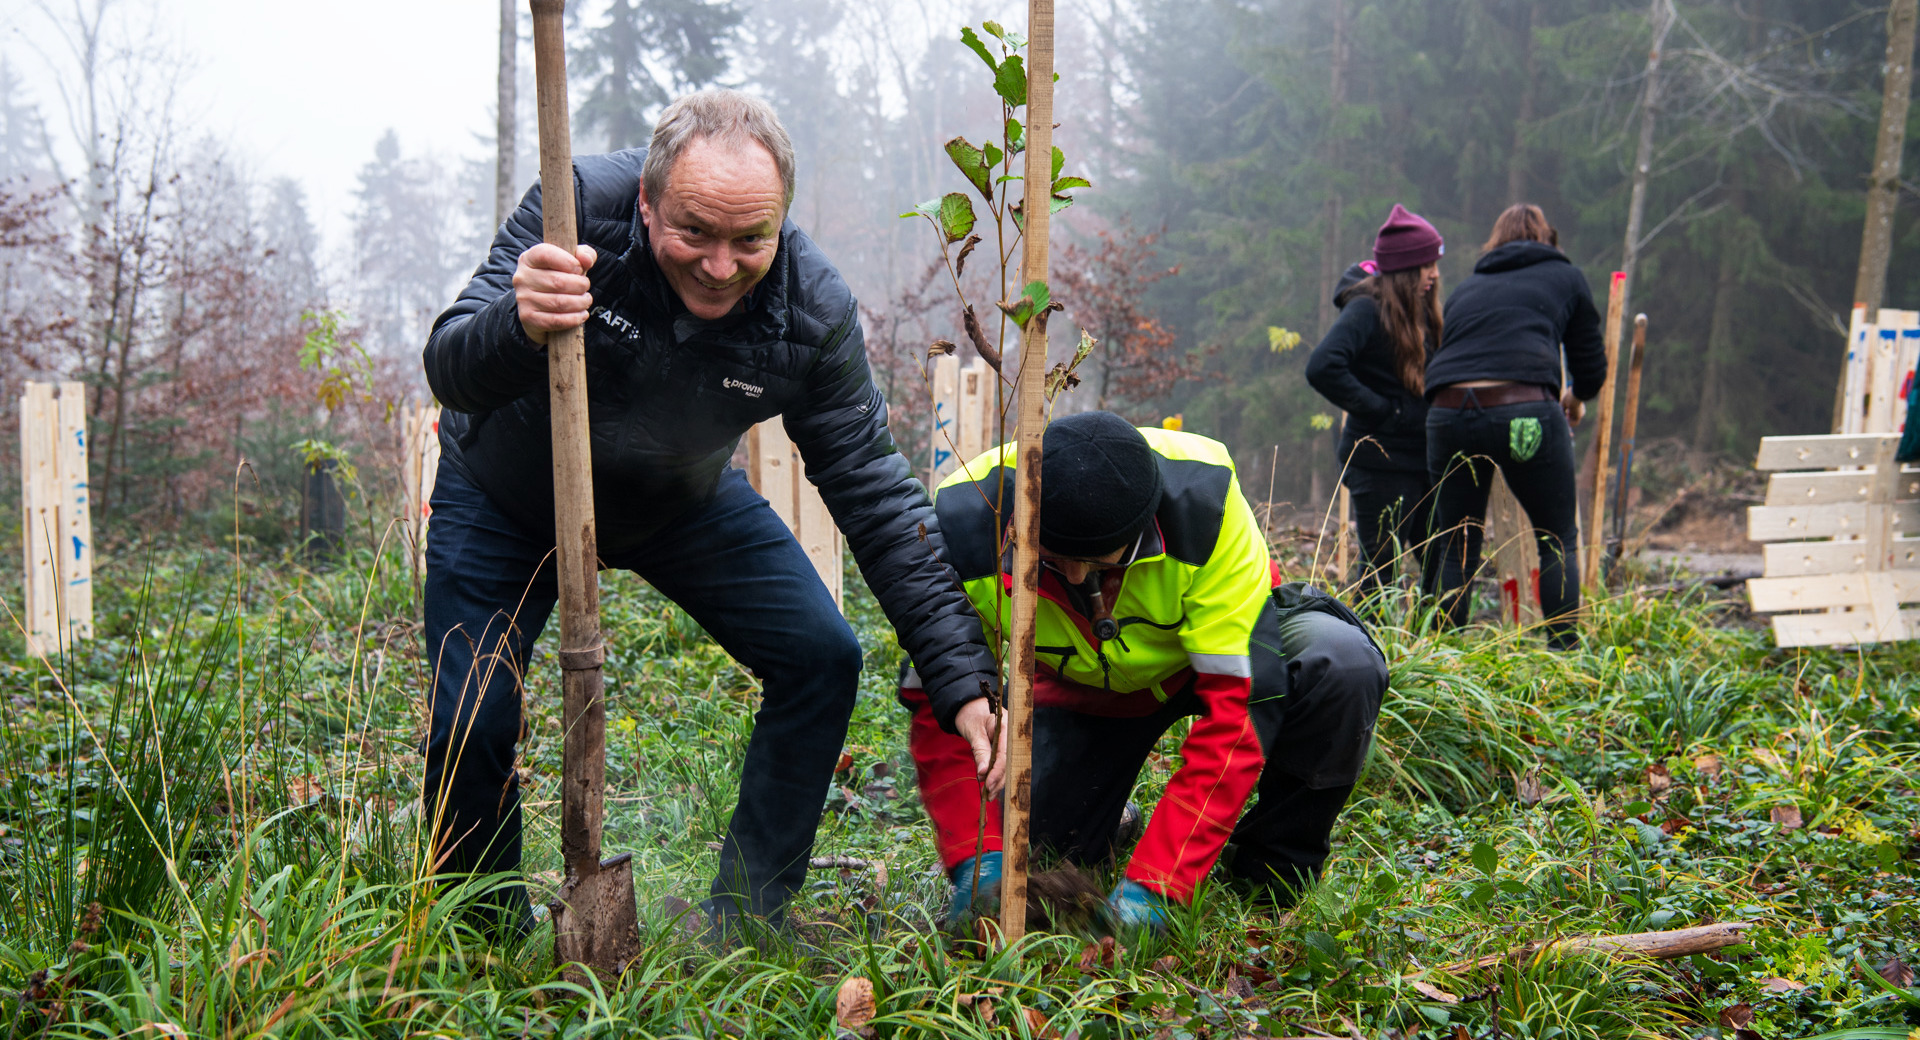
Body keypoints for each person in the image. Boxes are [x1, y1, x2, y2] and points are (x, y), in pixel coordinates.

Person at [419, 89, 999, 935]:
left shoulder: (813, 311)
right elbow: (449, 365)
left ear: (782, 223)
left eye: (749, 239)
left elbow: (874, 489)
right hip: (505, 493)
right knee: (472, 712)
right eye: (694, 231)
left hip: (675, 500)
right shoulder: (572, 205)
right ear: (647, 202)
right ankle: (481, 934)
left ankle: (744, 921)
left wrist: (960, 674)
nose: (721, 265)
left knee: (823, 657)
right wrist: (519, 323)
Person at [896, 411, 1388, 931]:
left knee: (1339, 663)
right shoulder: (968, 520)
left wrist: (1160, 882)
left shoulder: (1205, 504)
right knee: (1038, 844)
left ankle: (1267, 871)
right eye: (1057, 559)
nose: (1081, 578)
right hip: (1084, 692)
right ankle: (1119, 822)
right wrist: (979, 856)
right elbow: (941, 697)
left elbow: (1239, 710)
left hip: (1212, 659)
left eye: (1105, 562)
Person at [1421, 203, 1605, 650]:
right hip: (1523, 416)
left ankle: (1442, 665)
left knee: (1457, 542)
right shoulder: (1567, 278)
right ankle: (1564, 657)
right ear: (1547, 238)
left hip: (1448, 416)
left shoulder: (1467, 289)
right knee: (1557, 536)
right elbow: (1591, 367)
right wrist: (1575, 401)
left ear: (1495, 243)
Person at [1306, 204, 1444, 604]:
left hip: (1423, 461)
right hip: (1379, 463)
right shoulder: (1367, 308)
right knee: (1381, 574)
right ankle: (1372, 659)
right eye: (1426, 265)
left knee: (1442, 557)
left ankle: (1441, 650)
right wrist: (1386, 411)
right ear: (1404, 270)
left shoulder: (1421, 311)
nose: (1434, 273)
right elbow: (1322, 366)